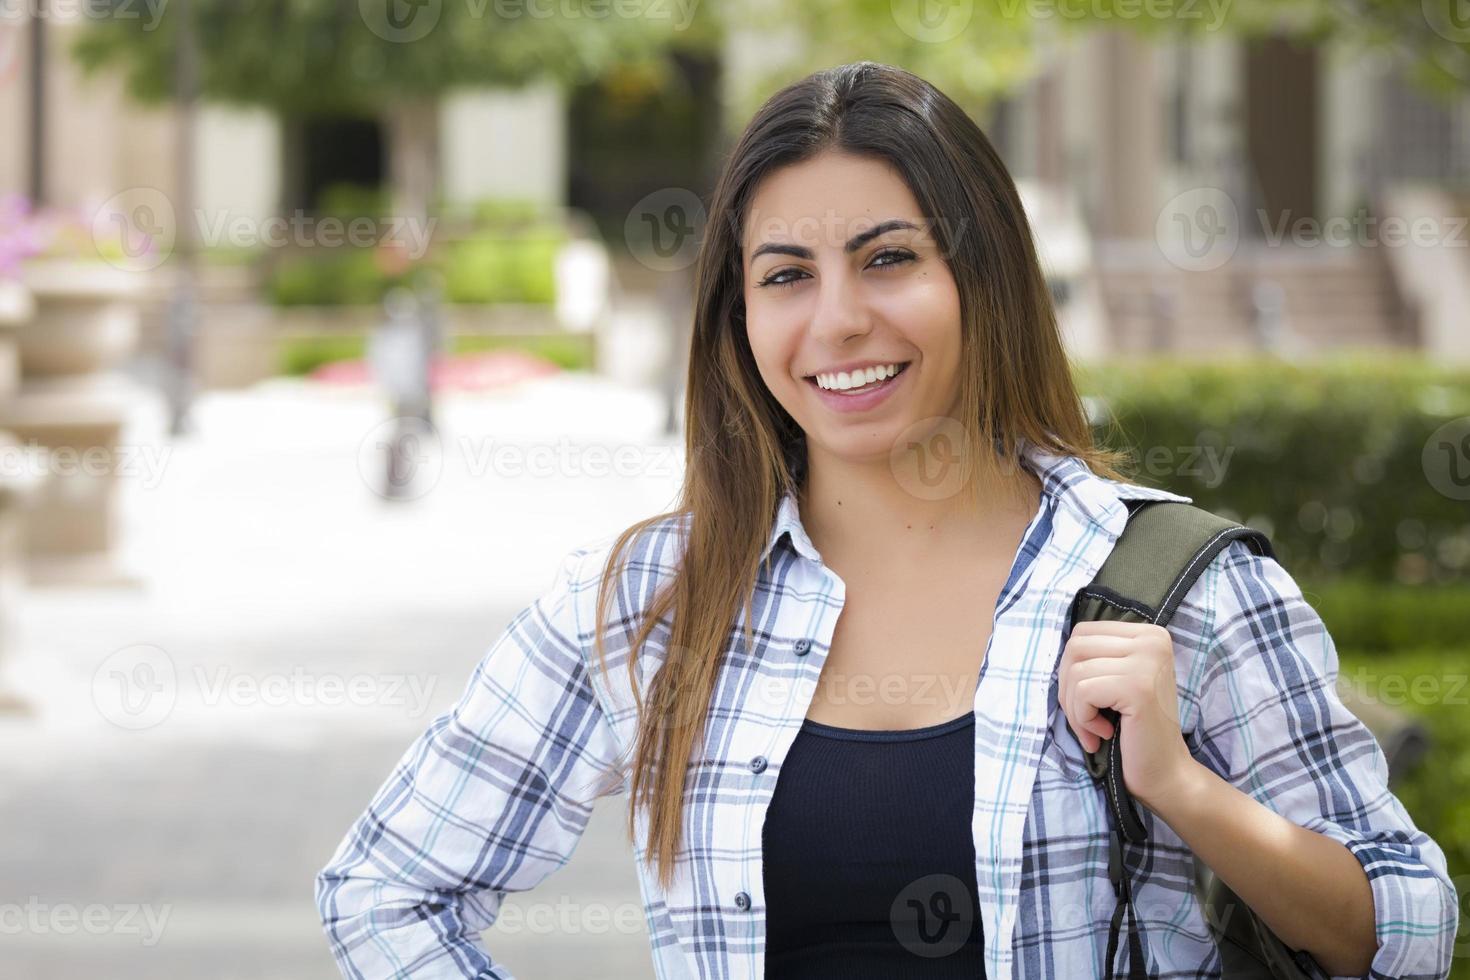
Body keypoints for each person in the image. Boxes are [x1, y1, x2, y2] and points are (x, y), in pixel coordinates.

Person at [314, 62, 1459, 979]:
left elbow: (1406, 930)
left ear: (987, 276)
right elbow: (384, 887)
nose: (840, 320)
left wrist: (1187, 789)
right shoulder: (652, 598)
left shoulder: (1179, 585)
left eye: (890, 258)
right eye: (786, 275)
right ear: (738, 312)